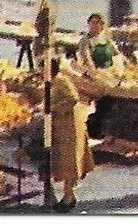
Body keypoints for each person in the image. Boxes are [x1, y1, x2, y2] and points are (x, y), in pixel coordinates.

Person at [50, 57, 95, 210]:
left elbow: (73, 98)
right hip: (62, 125)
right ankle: (67, 195)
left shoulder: (62, 80)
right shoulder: (53, 81)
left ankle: (69, 197)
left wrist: (54, 109)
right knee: (63, 161)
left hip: (70, 124)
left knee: (69, 161)